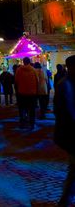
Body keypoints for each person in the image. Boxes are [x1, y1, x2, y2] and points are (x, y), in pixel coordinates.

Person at [54, 55, 75, 207]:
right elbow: (67, 113)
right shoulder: (65, 85)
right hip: (70, 134)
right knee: (74, 168)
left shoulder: (68, 83)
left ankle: (67, 198)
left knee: (74, 167)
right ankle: (66, 199)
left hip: (68, 133)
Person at [15, 57, 38, 130]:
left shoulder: (19, 70)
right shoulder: (33, 70)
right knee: (32, 110)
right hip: (32, 93)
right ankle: (32, 124)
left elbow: (16, 81)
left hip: (21, 93)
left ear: (23, 62)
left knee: (22, 109)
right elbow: (37, 81)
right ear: (29, 62)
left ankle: (22, 123)